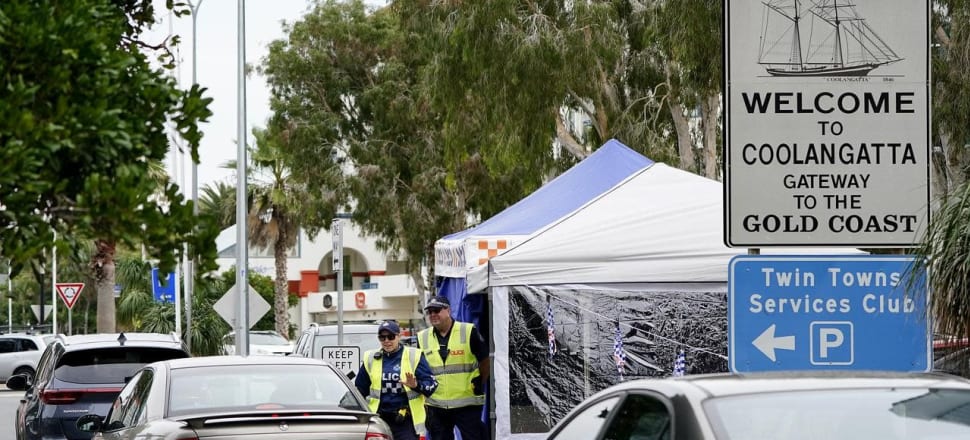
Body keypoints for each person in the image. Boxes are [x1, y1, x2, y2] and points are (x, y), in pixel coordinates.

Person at [418, 296, 491, 440]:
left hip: (466, 403)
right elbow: (420, 368)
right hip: (436, 405)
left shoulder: (468, 331)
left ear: (448, 310)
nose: (433, 315)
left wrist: (480, 381)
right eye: (430, 312)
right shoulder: (422, 337)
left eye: (437, 310)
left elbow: (486, 360)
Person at [355, 320, 438, 440]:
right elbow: (359, 389)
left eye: (391, 336)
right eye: (382, 338)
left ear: (399, 336)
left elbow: (431, 385)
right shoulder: (371, 358)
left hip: (405, 420)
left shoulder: (413, 356)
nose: (387, 341)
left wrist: (416, 385)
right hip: (379, 420)